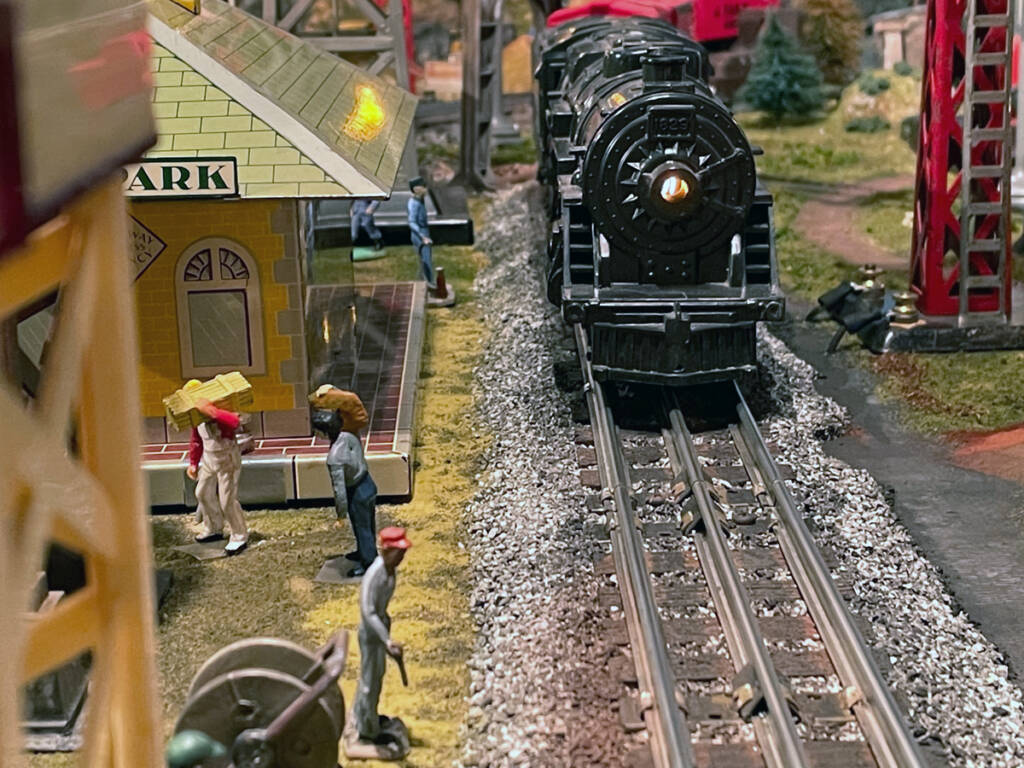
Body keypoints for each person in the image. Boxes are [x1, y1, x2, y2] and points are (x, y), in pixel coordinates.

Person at [346, 527, 411, 757]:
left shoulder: (390, 571)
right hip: (372, 635)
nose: (402, 557)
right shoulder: (375, 574)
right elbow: (368, 611)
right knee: (369, 680)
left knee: (376, 676)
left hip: (381, 631)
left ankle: (367, 717)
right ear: (387, 550)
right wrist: (386, 639)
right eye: (398, 552)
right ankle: (365, 730)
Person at [309, 384, 378, 576]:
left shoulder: (334, 457)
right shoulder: (349, 435)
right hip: (368, 482)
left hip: (356, 491)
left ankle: (369, 563)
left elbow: (339, 490)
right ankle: (368, 551)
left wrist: (341, 514)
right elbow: (348, 405)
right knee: (368, 523)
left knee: (361, 526)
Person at [186, 384, 248, 555]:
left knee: (227, 501)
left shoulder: (220, 413)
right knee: (202, 492)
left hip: (227, 460)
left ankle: (239, 535)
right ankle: (213, 526)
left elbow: (234, 421)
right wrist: (193, 463)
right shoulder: (196, 418)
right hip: (209, 460)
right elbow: (196, 441)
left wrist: (210, 410)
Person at [406, 177, 436, 291]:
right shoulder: (414, 204)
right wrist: (423, 237)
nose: (426, 189)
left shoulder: (420, 200)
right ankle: (429, 284)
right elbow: (412, 222)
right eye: (423, 186)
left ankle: (424, 283)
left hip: (424, 232)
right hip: (420, 234)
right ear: (416, 189)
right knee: (426, 260)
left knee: (424, 261)